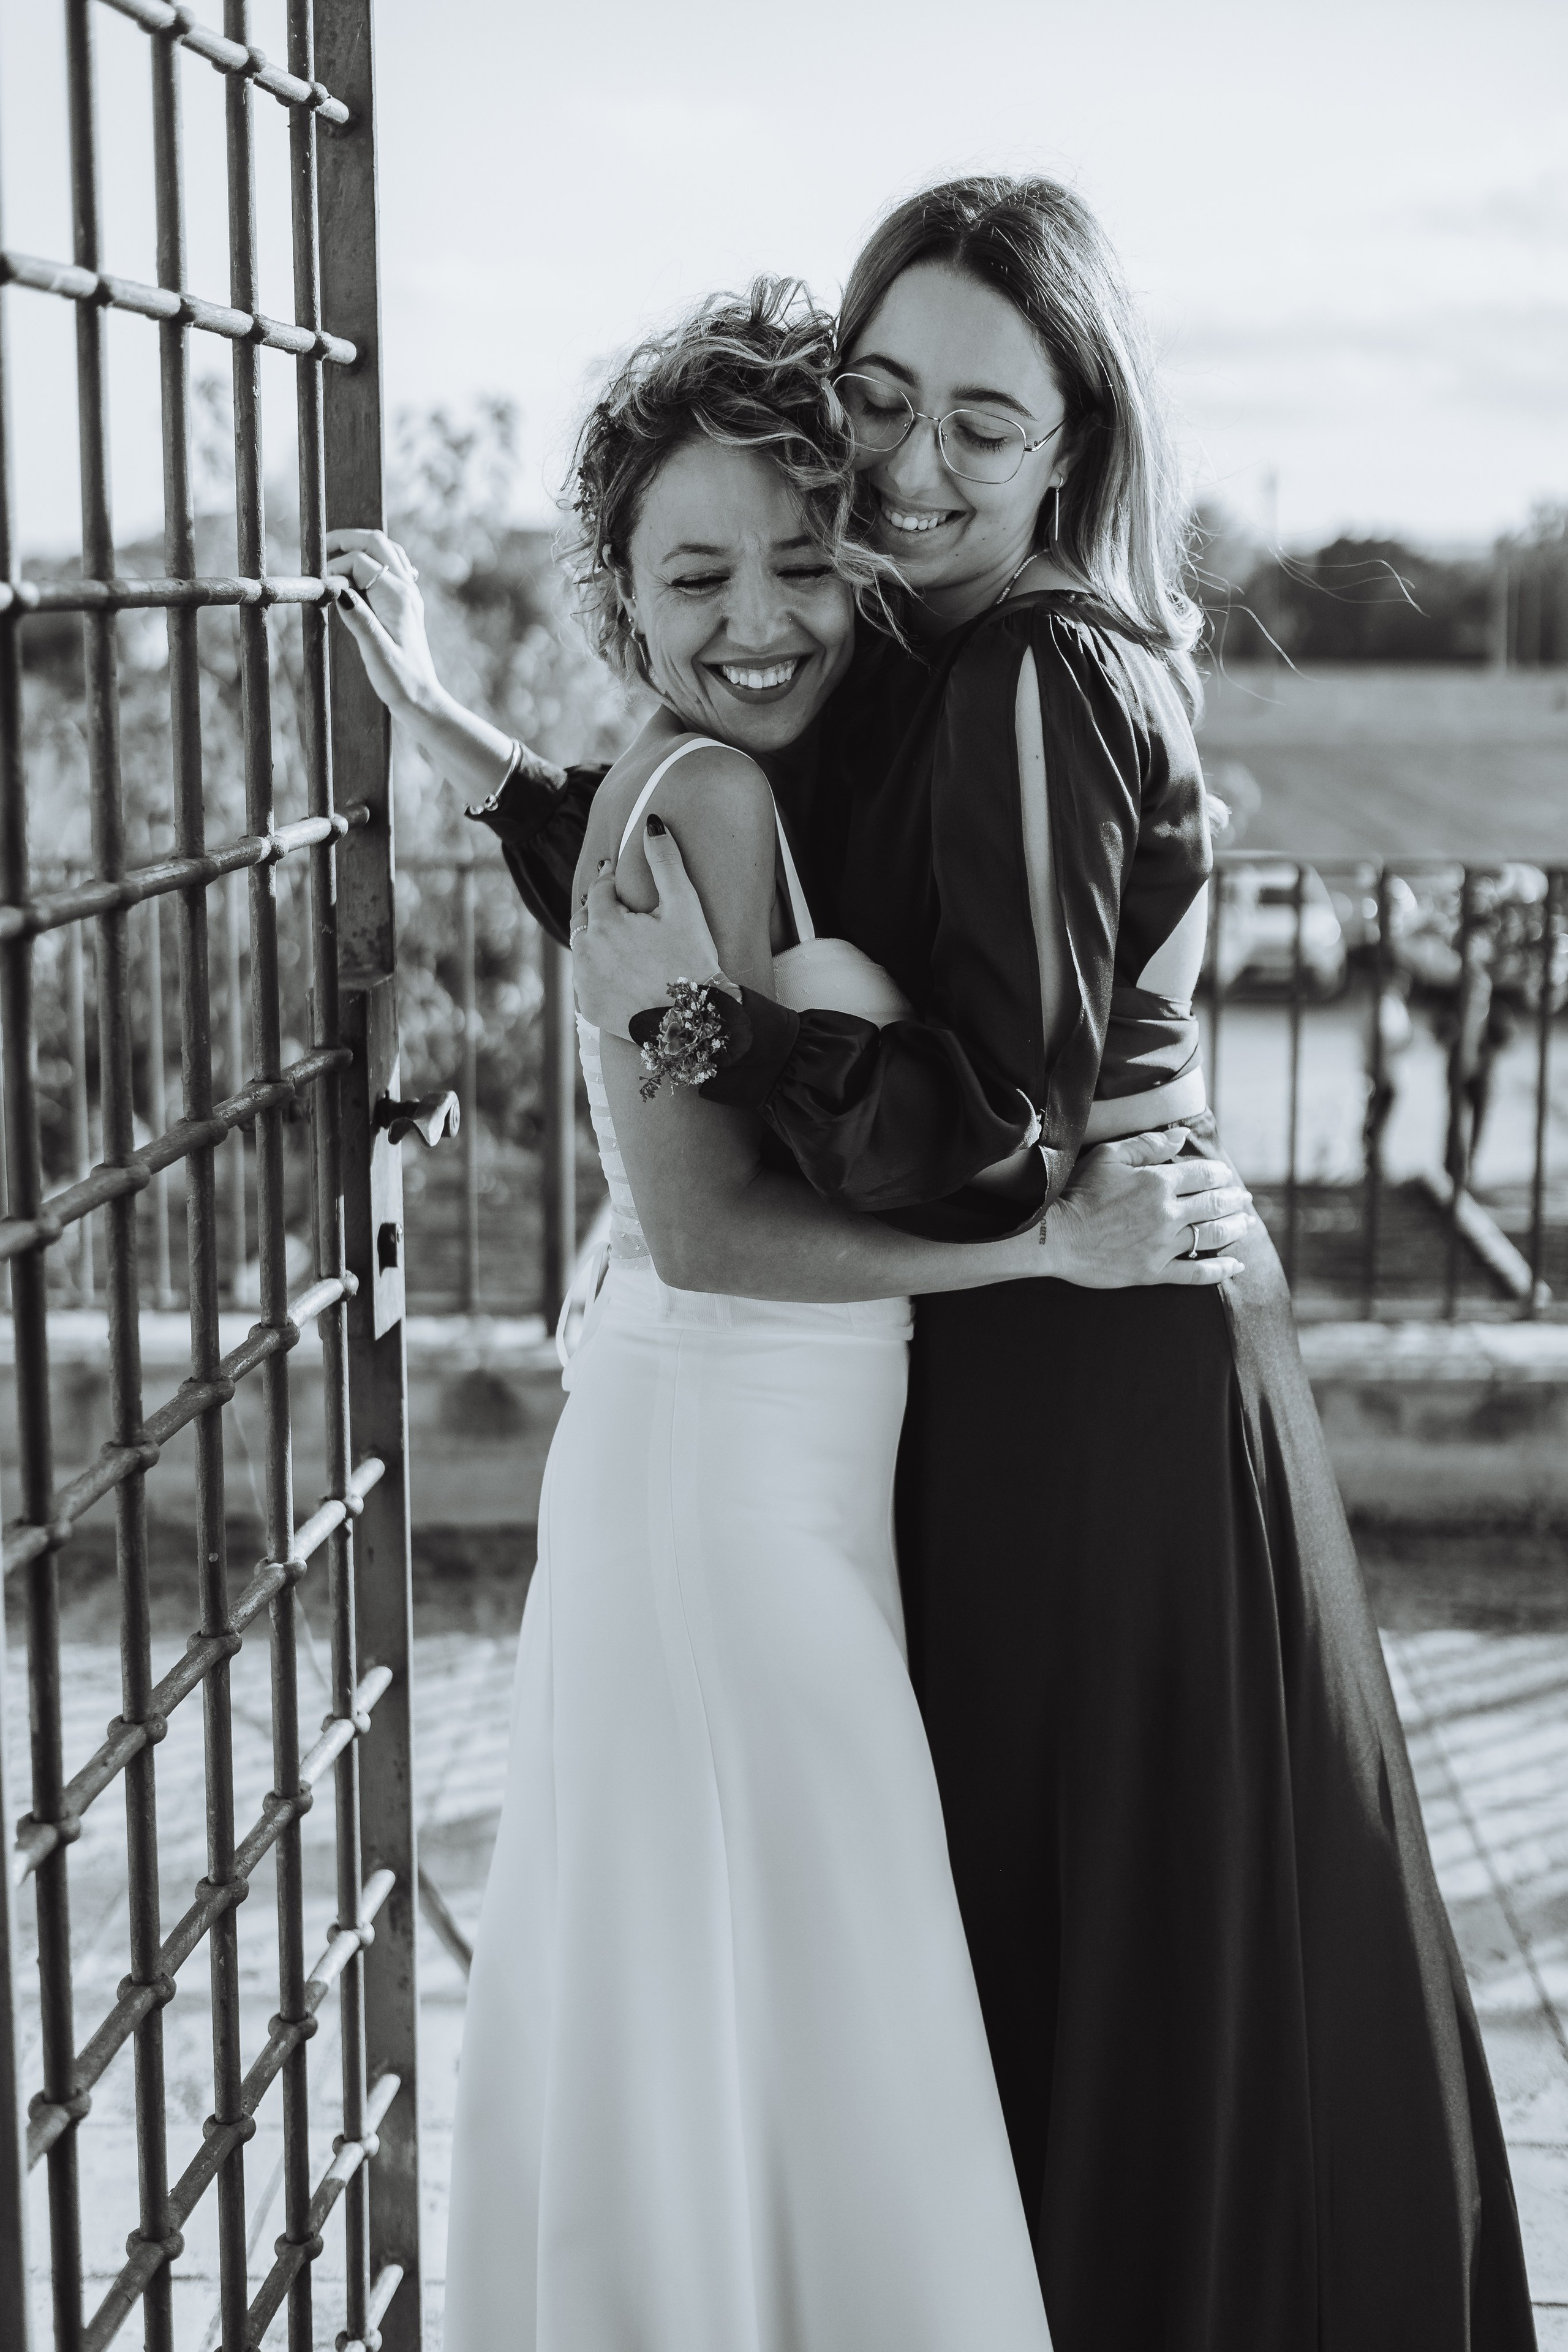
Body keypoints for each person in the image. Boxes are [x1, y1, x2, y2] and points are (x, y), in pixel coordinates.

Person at [488, 183, 1537, 2351]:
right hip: (1060, 1360)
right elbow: (756, 835)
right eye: (882, 405)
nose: (926, 463)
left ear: (1073, 436)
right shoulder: (940, 657)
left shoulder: (1037, 665)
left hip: (1089, 1378)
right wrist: (519, 793)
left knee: (1110, 1945)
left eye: (990, 415)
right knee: (1077, 1953)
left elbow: (990, 1138)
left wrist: (706, 1035)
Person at [327, 283, 1252, 2352]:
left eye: (800, 559)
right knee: (810, 1968)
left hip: (753, 1467)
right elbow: (722, 1228)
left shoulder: (699, 789)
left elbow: (643, 930)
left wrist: (455, 744)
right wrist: (1049, 1252)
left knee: (719, 1973)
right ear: (625, 606)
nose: (765, 616)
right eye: (695, 574)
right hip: (733, 1481)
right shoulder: (718, 800)